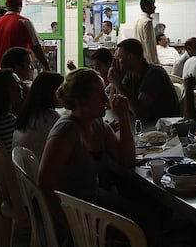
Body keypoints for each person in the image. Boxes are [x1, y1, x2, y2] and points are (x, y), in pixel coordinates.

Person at [38, 68, 139, 239]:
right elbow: (45, 184)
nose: (106, 99)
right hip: (73, 213)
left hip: (92, 200)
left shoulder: (97, 124)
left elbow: (126, 159)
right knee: (140, 227)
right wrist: (74, 228)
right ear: (80, 100)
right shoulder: (67, 130)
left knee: (145, 217)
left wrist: (123, 117)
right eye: (100, 94)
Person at [0, 0, 51, 84]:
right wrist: (47, 67)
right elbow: (36, 46)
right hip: (17, 73)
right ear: (21, 5)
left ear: (7, 5)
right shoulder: (24, 22)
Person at [107, 38, 180, 122]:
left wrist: (117, 84)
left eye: (119, 58)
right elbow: (115, 107)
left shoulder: (154, 74)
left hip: (164, 126)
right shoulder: (131, 74)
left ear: (131, 57)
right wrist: (114, 82)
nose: (116, 62)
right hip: (146, 125)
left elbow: (140, 113)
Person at [13, 71, 65, 160]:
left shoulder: (29, 115)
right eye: (61, 90)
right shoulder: (51, 119)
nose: (65, 94)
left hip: (24, 168)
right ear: (50, 93)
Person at [133, 0, 158, 65]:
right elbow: (150, 44)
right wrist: (154, 63)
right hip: (148, 61)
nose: (155, 7)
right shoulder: (148, 22)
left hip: (140, 59)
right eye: (153, 5)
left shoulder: (139, 20)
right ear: (146, 6)